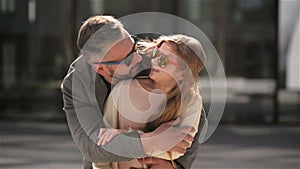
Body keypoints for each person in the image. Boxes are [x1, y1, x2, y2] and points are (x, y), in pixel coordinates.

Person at [61, 15, 207, 169]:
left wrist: (177, 166)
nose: (139, 58)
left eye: (134, 47)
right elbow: (92, 147)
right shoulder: (76, 85)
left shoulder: (153, 55)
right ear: (102, 69)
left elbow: (191, 103)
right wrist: (152, 141)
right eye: (128, 59)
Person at [95, 34, 206, 169]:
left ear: (183, 72)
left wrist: (123, 136)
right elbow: (103, 144)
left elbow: (177, 149)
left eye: (163, 60)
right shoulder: (124, 90)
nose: (154, 61)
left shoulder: (191, 101)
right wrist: (155, 139)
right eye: (155, 54)